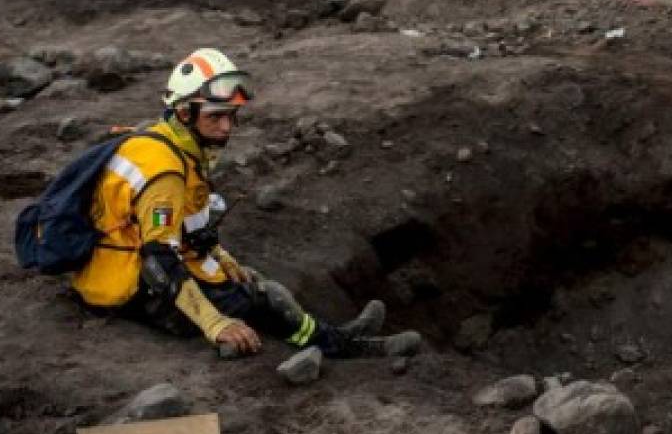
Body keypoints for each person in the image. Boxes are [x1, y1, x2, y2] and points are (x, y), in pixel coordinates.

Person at [71, 48, 420, 361]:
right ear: (184, 113)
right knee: (254, 300)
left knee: (257, 283)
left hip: (120, 264)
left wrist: (221, 257)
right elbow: (157, 260)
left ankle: (330, 337)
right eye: (216, 117)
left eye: (231, 116)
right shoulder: (165, 173)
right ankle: (341, 347)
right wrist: (215, 323)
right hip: (126, 287)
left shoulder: (167, 143)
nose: (227, 128)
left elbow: (183, 225)